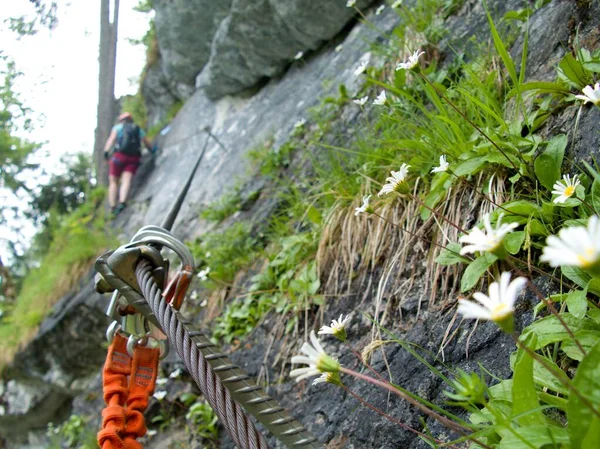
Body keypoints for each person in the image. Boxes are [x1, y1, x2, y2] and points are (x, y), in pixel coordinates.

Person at [103, 112, 152, 215]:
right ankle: (122, 202)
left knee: (113, 181)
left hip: (118, 157)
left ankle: (112, 206)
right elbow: (146, 142)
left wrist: (106, 152)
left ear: (121, 120)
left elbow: (111, 139)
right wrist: (152, 150)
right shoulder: (137, 129)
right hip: (133, 158)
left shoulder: (117, 128)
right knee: (126, 180)